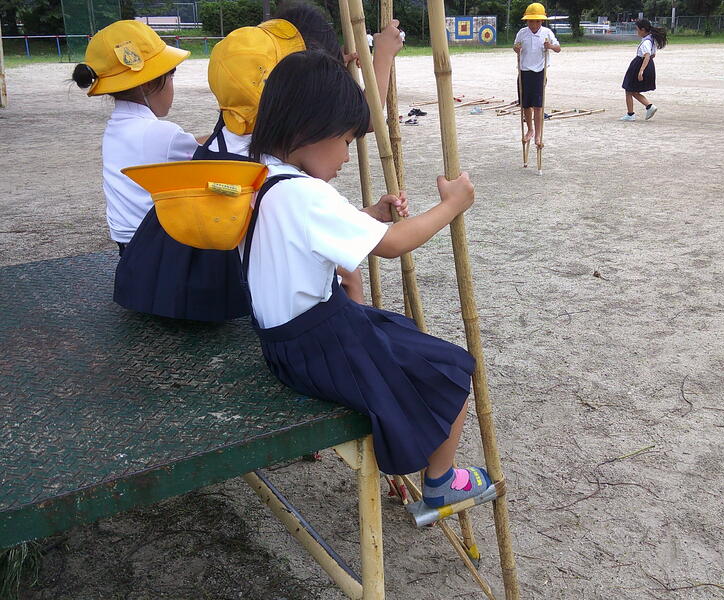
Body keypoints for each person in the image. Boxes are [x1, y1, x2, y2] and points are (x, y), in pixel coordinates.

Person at [244, 50, 490, 505]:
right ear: (309, 128)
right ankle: (441, 481)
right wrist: (451, 205)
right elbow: (393, 245)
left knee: (401, 335)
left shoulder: (262, 178)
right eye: (345, 140)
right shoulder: (305, 193)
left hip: (285, 345)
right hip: (319, 346)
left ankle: (430, 462)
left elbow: (306, 236)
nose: (346, 155)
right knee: (452, 368)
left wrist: (370, 215)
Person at [198, 3, 403, 303]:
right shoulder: (280, 168)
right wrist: (382, 56)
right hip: (238, 286)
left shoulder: (237, 131)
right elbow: (367, 119)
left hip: (215, 272)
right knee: (348, 274)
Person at [72, 21, 249, 321]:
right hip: (159, 252)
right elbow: (213, 153)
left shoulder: (118, 128)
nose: (172, 85)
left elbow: (192, 145)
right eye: (170, 75)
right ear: (147, 84)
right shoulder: (160, 135)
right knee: (229, 199)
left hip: (128, 249)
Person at [513, 3, 560, 148]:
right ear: (527, 21)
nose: (534, 24)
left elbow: (558, 48)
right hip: (524, 71)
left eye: (537, 21)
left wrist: (550, 46)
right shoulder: (522, 33)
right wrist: (517, 48)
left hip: (539, 72)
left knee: (538, 106)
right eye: (531, 21)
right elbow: (515, 47)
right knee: (525, 104)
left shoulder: (547, 33)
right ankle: (530, 130)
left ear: (542, 21)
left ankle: (538, 135)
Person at [620, 19, 667, 122]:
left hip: (639, 64)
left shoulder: (646, 42)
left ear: (643, 30)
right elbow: (653, 55)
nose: (637, 32)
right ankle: (649, 107)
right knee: (633, 90)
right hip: (648, 64)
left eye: (637, 30)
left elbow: (647, 55)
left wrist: (641, 70)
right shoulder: (651, 39)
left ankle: (631, 114)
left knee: (628, 89)